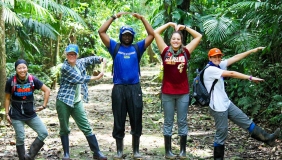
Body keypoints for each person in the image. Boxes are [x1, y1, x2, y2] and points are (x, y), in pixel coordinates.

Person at [204, 47, 280, 160]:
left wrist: (251, 51)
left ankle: (267, 138)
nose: (217, 58)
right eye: (214, 56)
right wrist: (250, 77)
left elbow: (235, 57)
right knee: (222, 134)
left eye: (219, 56)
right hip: (217, 107)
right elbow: (231, 73)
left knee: (246, 121)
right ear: (209, 58)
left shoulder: (219, 65)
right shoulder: (210, 69)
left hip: (226, 103)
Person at [98, 12, 154, 159]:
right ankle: (119, 151)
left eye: (129, 35)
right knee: (119, 118)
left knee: (136, 118)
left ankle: (136, 151)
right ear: (120, 36)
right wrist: (114, 17)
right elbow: (101, 31)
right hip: (119, 89)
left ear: (133, 36)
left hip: (135, 88)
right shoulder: (114, 47)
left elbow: (151, 35)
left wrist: (142, 18)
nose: (127, 37)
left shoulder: (138, 48)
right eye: (124, 35)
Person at [154, 22, 202, 159]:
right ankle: (168, 151)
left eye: (178, 39)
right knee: (168, 121)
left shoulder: (186, 51)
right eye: (173, 39)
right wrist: (168, 24)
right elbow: (155, 33)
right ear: (170, 40)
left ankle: (182, 151)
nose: (176, 41)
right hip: (167, 92)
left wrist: (185, 27)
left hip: (183, 93)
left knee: (182, 121)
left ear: (181, 41)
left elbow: (199, 36)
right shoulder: (165, 51)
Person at [56, 44, 107, 160]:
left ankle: (97, 152)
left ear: (77, 55)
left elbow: (90, 59)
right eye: (69, 54)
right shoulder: (65, 67)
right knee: (64, 128)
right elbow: (79, 79)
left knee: (86, 126)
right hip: (64, 101)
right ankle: (66, 154)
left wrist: (101, 59)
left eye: (74, 54)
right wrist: (97, 77)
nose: (71, 56)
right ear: (66, 55)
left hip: (76, 101)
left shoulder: (79, 62)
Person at [4, 59, 50, 160]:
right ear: (16, 69)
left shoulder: (32, 80)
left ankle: (29, 156)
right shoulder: (11, 82)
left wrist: (43, 106)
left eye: (24, 67)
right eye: (19, 68)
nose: (22, 70)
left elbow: (47, 90)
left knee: (43, 132)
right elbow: (7, 98)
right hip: (16, 115)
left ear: (27, 68)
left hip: (30, 114)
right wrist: (6, 113)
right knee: (20, 138)